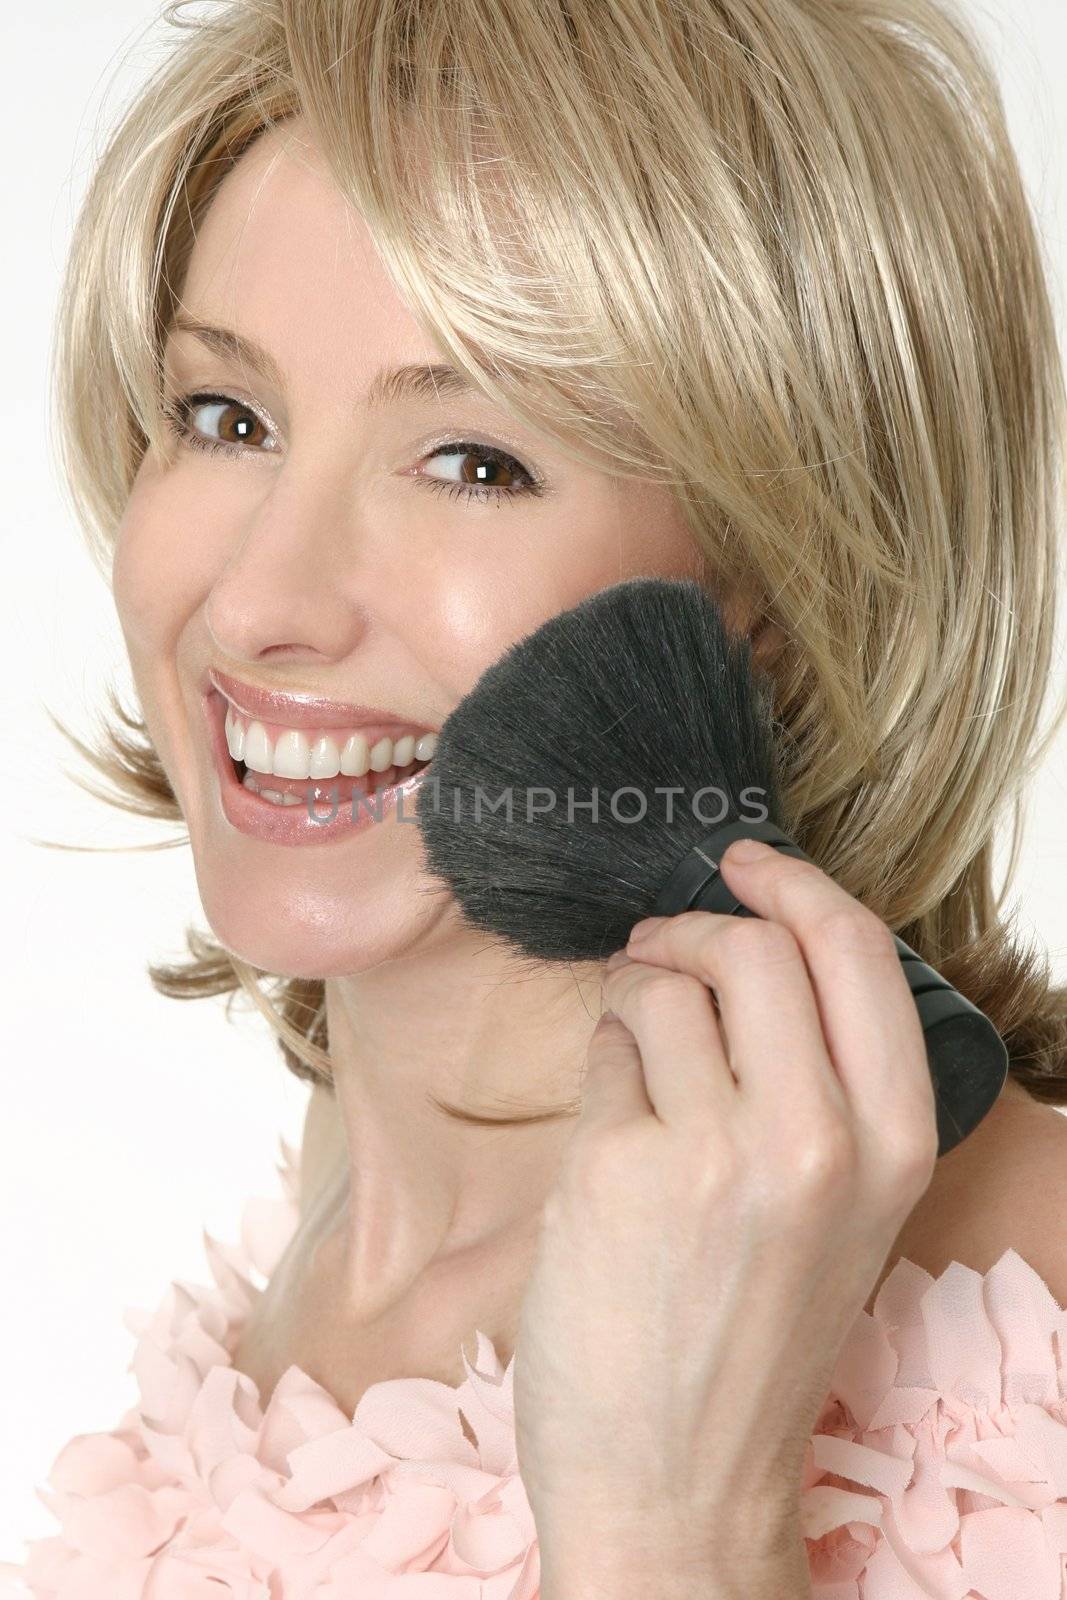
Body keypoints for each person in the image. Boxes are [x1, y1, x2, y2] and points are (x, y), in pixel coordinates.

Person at [5, 0, 1067, 1595]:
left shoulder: (1040, 1292)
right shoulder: (336, 1183)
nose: (255, 606)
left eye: (474, 462)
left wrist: (673, 1536)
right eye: (227, 418)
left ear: (785, 583)